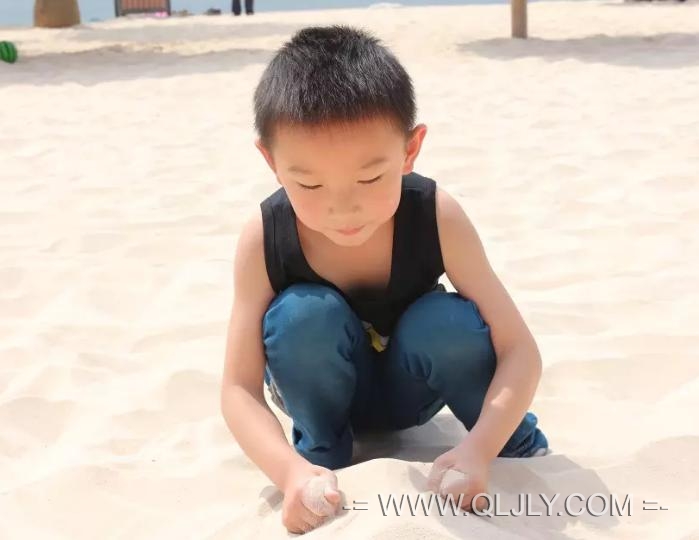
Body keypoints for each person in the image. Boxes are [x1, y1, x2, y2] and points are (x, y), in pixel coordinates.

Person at [220, 25, 549, 534]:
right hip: (319, 394)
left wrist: (479, 449)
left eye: (371, 177)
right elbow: (239, 388)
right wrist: (287, 473)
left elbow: (520, 349)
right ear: (272, 162)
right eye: (309, 183)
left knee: (446, 322)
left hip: (412, 390)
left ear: (410, 149)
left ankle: (513, 443)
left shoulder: (436, 215)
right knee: (302, 315)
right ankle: (320, 455)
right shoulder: (264, 237)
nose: (343, 207)